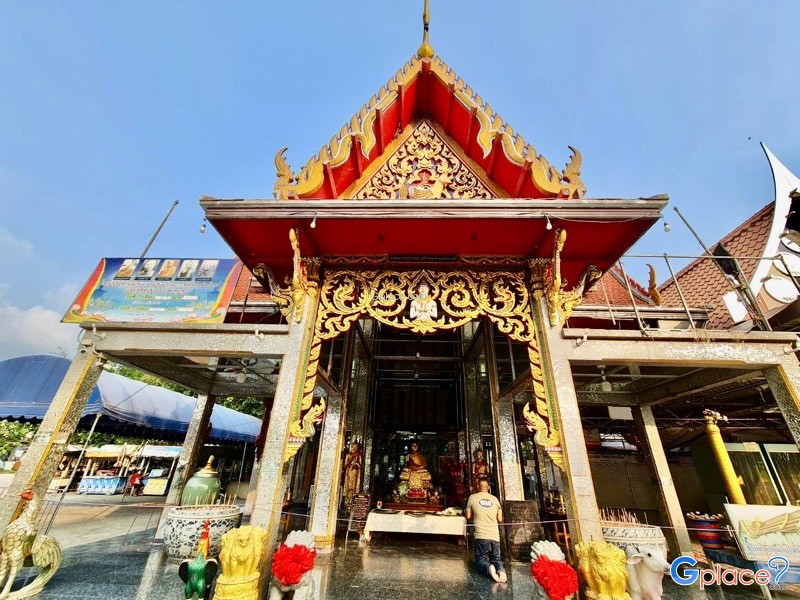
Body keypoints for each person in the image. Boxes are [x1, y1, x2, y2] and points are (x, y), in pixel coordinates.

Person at [465, 477, 507, 583]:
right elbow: (500, 519)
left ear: (478, 486)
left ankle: (488, 568)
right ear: (488, 487)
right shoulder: (495, 500)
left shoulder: (472, 498)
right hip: (494, 535)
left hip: (481, 535)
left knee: (480, 560)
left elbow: (468, 516)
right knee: (497, 559)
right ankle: (501, 572)